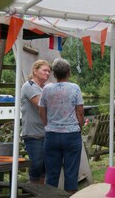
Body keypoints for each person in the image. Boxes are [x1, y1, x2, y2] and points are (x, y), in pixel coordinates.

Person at [39, 58, 84, 195]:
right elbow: (80, 112)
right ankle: (70, 195)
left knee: (52, 173)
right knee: (71, 172)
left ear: (54, 74)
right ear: (69, 73)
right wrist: (79, 127)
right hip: (71, 134)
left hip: (52, 134)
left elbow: (42, 110)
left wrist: (47, 124)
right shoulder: (75, 88)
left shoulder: (46, 89)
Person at [21, 59, 51, 184]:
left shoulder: (44, 88)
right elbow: (41, 105)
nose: (48, 73)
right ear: (35, 70)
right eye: (44, 70)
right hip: (33, 133)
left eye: (49, 71)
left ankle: (41, 191)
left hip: (46, 132)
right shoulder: (29, 86)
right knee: (37, 163)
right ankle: (32, 188)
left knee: (45, 165)